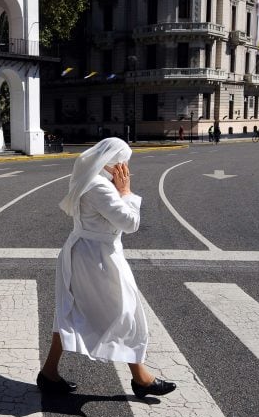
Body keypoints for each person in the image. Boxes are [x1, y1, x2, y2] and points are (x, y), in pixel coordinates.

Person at [37, 138, 176, 399]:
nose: (126, 169)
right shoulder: (100, 187)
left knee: (71, 311)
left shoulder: (89, 177)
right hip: (98, 259)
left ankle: (49, 373)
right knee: (126, 313)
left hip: (88, 253)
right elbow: (130, 223)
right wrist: (126, 193)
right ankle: (141, 378)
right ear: (111, 164)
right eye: (123, 163)